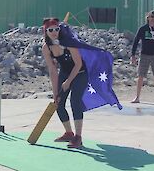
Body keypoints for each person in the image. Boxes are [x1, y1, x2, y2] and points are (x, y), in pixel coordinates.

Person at [42, 17, 121, 148]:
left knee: (75, 101)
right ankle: (68, 133)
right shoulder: (46, 47)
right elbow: (52, 70)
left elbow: (78, 64)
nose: (54, 32)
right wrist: (55, 92)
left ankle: (78, 137)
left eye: (57, 29)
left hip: (80, 73)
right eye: (51, 30)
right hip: (65, 72)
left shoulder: (68, 42)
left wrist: (68, 81)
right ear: (46, 32)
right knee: (58, 103)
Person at [131, 10, 154, 104]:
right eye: (151, 17)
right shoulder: (143, 29)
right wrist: (133, 55)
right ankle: (137, 97)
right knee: (141, 76)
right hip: (144, 55)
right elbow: (135, 41)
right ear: (148, 18)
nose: (153, 19)